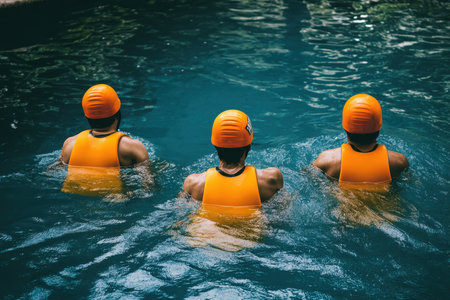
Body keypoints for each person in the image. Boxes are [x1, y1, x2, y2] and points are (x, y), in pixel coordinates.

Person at [60, 84, 150, 195]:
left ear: (87, 116)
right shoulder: (132, 147)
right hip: (116, 198)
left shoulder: (69, 144)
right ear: (118, 114)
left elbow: (53, 171)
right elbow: (148, 185)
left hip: (75, 193)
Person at [182, 109, 283, 206]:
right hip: (252, 223)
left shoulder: (193, 184)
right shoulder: (271, 179)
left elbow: (180, 209)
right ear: (249, 145)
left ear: (215, 145)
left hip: (206, 223)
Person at [313, 94, 409, 188]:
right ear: (379, 126)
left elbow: (308, 176)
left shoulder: (327, 161)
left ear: (345, 127)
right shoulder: (398, 162)